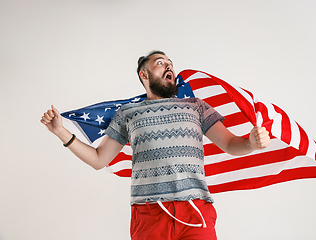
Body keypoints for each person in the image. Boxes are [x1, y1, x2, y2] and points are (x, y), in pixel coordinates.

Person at [40, 50, 271, 240]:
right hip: (149, 215)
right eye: (160, 63)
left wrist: (250, 142)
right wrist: (60, 131)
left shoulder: (196, 106)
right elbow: (99, 159)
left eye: (170, 63)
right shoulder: (127, 114)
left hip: (195, 212)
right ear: (144, 74)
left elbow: (230, 144)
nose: (169, 66)